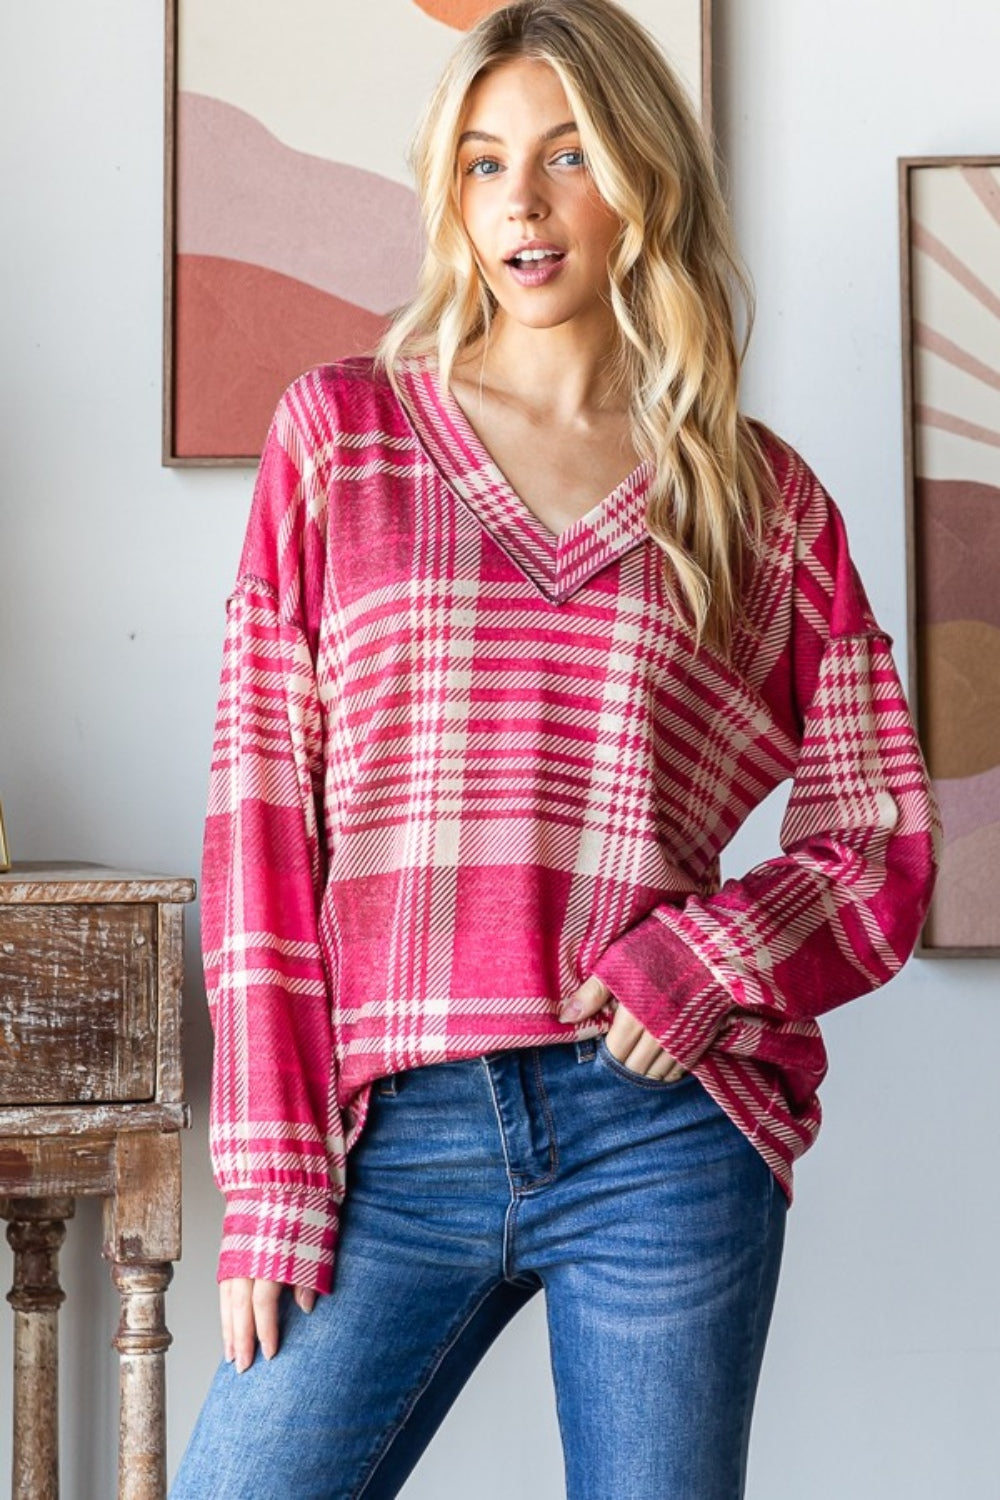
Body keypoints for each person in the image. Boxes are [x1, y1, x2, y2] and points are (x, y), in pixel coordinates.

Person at [171, 2, 939, 1495]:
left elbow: (884, 837)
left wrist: (706, 961)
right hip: (391, 1130)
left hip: (661, 1132)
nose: (520, 200)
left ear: (643, 179)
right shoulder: (344, 439)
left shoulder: (759, 502)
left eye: (568, 154)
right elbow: (261, 823)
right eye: (483, 161)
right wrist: (269, 1176)